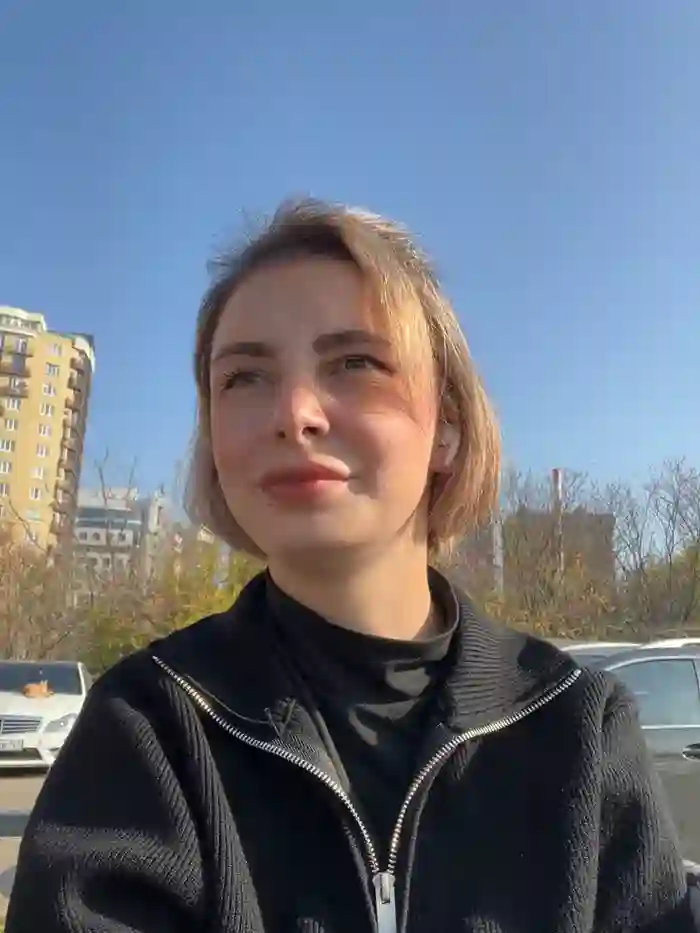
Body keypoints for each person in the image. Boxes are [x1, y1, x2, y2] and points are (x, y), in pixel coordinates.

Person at [7, 199, 699, 933]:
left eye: (355, 363)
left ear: (447, 427)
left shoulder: (578, 727)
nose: (294, 414)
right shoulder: (146, 727)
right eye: (244, 377)